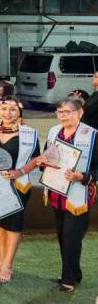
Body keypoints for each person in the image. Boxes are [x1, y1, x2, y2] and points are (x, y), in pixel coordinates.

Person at [34, 97, 98, 292]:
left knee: (71, 236)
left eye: (67, 112)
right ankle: (73, 272)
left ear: (80, 113)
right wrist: (42, 162)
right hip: (56, 192)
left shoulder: (93, 135)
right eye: (59, 112)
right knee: (63, 236)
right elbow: (48, 156)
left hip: (78, 195)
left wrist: (82, 176)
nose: (62, 116)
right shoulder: (54, 132)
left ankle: (68, 279)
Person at [0, 95, 39, 283]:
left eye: (13, 109)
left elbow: (36, 159)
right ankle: (1, 259)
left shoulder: (29, 133)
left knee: (14, 223)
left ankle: (7, 264)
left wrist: (20, 171)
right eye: (4, 108)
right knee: (0, 223)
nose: (8, 112)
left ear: (19, 112)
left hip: (18, 184)